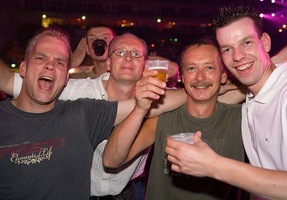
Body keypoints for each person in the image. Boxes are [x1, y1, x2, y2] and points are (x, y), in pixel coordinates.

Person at [0, 28, 167, 199]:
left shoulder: (161, 100)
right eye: (121, 52)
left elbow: (182, 93)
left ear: (146, 65)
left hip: (128, 192)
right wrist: (68, 63)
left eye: (136, 54)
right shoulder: (74, 92)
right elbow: (9, 81)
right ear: (108, 62)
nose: (128, 58)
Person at [165, 5, 287, 200]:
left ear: (265, 42)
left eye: (246, 43)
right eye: (228, 49)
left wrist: (214, 166)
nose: (237, 56)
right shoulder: (251, 100)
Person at [102, 38, 246, 200]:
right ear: (182, 77)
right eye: (191, 68)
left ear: (223, 76)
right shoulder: (163, 118)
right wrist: (140, 108)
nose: (200, 77)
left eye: (209, 68)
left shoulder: (242, 118)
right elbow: (110, 160)